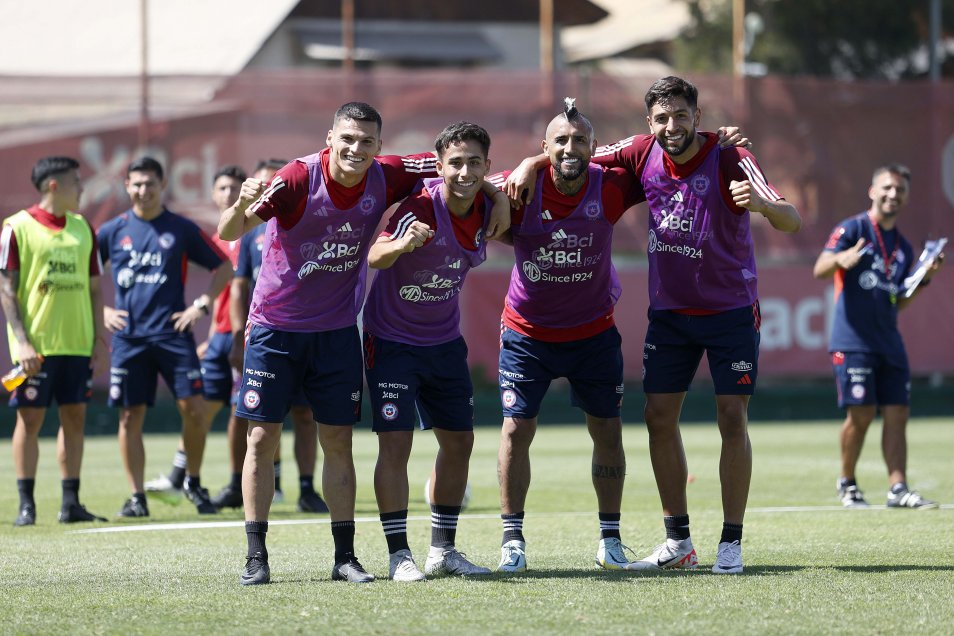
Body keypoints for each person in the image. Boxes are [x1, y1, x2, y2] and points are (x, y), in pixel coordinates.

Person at [217, 101, 510, 586]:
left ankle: (345, 558)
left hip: (336, 331)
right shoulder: (294, 179)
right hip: (275, 326)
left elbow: (458, 165)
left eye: (367, 141)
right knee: (262, 438)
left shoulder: (388, 173)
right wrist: (241, 203)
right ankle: (256, 555)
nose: (356, 149)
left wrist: (497, 195)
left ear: (378, 145)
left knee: (338, 441)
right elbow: (229, 232)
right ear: (330, 137)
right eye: (347, 139)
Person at [582, 76, 799, 575]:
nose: (671, 125)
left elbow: (791, 219)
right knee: (658, 417)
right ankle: (678, 541)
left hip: (730, 312)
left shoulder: (729, 155)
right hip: (671, 316)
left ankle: (732, 543)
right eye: (661, 118)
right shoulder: (640, 153)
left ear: (697, 117)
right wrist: (530, 164)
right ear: (649, 123)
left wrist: (763, 206)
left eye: (680, 115)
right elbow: (578, 156)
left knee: (731, 419)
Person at [490, 101, 647, 574]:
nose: (570, 148)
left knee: (608, 431)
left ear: (594, 148)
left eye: (579, 140)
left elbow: (658, 159)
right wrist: (526, 167)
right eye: (559, 141)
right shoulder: (518, 189)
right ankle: (512, 540)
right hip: (527, 334)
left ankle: (610, 539)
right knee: (517, 430)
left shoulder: (612, 187)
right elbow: (464, 181)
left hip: (594, 334)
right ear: (545, 147)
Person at [363, 121, 497, 581]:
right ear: (438, 167)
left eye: (473, 162)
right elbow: (376, 256)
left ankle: (444, 550)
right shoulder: (420, 205)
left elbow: (518, 185)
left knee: (460, 441)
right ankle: (399, 554)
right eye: (454, 163)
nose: (464, 171)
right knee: (395, 443)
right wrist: (402, 243)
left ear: (486, 167)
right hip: (393, 341)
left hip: (443, 342)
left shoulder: (487, 204)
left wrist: (499, 195)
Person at [98, 156, 232, 518]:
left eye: (150, 184)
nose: (143, 191)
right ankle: (137, 496)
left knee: (195, 411)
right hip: (130, 339)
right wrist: (104, 313)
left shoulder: (181, 228)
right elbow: (87, 278)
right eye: (136, 184)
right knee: (130, 415)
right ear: (127, 186)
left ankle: (192, 480)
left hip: (174, 336)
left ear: (162, 187)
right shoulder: (112, 231)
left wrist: (201, 306)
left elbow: (224, 267)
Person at [813, 163, 943, 510]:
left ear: (906, 197)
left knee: (898, 411)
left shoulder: (902, 246)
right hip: (852, 340)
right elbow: (819, 269)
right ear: (873, 191)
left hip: (889, 341)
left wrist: (924, 278)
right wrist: (842, 257)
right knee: (862, 413)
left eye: (899, 190)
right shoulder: (851, 228)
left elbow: (898, 301)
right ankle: (847, 483)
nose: (892, 195)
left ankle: (898, 489)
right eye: (887, 188)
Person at [210, 158, 330, 514]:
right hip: (266, 335)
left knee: (306, 415)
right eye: (263, 183)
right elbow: (238, 286)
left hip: (309, 330)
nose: (270, 189)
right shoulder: (251, 231)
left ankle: (307, 487)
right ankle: (255, 482)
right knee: (257, 417)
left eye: (275, 183)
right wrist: (236, 337)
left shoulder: (311, 217)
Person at [0, 156, 109, 525]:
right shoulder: (16, 227)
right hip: (37, 349)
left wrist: (96, 337)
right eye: (76, 183)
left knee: (75, 418)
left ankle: (70, 503)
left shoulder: (83, 228)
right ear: (53, 186)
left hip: (77, 344)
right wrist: (22, 342)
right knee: (29, 421)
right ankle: (26, 505)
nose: (82, 189)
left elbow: (95, 289)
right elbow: (6, 290)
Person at [144, 164, 246, 509]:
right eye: (222, 189)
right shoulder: (219, 238)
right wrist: (214, 333)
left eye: (235, 188)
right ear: (213, 194)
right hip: (219, 338)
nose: (228, 195)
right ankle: (178, 478)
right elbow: (222, 294)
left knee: (243, 414)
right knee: (200, 411)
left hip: (243, 337)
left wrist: (237, 335)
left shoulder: (254, 234)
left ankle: (244, 483)